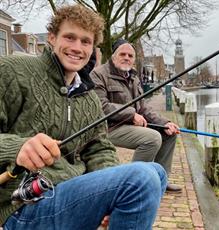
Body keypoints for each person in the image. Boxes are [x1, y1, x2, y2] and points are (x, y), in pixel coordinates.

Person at [0, 4, 167, 230]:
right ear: (51, 37)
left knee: (157, 173)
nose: (77, 47)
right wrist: (18, 148)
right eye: (70, 37)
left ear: (93, 48)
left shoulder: (88, 98)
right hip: (23, 205)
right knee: (141, 179)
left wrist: (108, 193)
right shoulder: (12, 70)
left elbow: (99, 148)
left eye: (86, 41)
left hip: (71, 193)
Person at [90, 38, 182, 192]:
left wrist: (164, 122)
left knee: (169, 133)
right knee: (152, 138)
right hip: (107, 128)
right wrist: (131, 115)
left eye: (130, 56)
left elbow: (143, 107)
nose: (127, 58)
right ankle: (132, 185)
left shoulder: (133, 77)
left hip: (128, 125)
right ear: (113, 56)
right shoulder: (98, 74)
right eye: (123, 54)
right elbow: (101, 106)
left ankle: (161, 180)